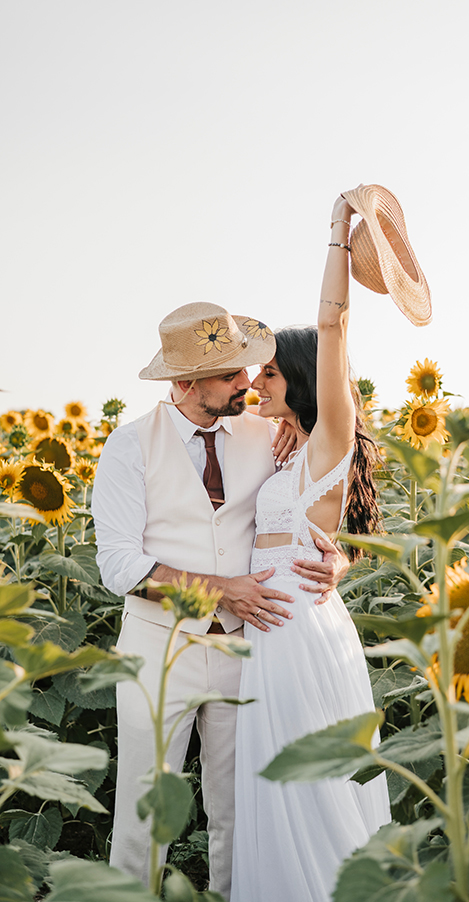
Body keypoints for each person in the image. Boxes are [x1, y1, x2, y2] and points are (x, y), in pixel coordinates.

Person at [91, 302, 348, 899]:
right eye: (231, 374)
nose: (248, 382)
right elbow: (118, 564)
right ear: (187, 384)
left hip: (246, 650)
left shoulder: (267, 433)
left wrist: (340, 560)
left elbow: (320, 507)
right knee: (145, 812)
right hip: (157, 653)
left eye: (248, 369)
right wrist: (219, 589)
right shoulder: (129, 447)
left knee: (239, 813)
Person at [230, 196, 391, 902]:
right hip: (271, 627)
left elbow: (332, 325)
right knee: (275, 780)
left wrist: (337, 229)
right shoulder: (284, 446)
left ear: (301, 375)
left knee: (311, 780)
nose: (254, 385)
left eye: (269, 373)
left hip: (297, 623)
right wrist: (344, 557)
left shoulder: (330, 438)